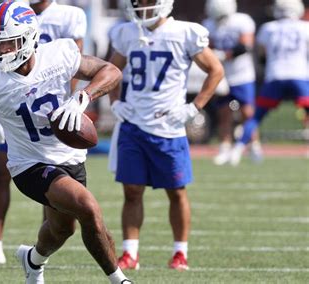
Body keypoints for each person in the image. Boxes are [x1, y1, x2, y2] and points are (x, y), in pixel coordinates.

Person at [0, 2, 131, 283]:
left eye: (9, 44)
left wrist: (83, 97)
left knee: (62, 229)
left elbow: (111, 71)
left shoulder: (59, 54)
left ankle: (32, 260)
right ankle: (120, 280)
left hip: (69, 156)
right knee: (88, 207)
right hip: (29, 165)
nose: (3, 52)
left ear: (29, 38)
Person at [108, 0, 224, 271]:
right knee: (132, 191)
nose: (141, 6)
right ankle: (130, 254)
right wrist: (115, 102)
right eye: (138, 2)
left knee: (176, 191)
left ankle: (180, 253)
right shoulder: (127, 32)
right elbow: (111, 71)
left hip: (168, 127)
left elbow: (216, 70)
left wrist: (194, 107)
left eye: (147, 1)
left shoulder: (184, 32)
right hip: (133, 124)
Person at [0, 0, 87, 265]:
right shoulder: (8, 11)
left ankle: (45, 244)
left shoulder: (70, 16)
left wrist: (72, 102)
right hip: (15, 103)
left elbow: (75, 65)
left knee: (55, 186)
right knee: (1, 174)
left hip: (53, 106)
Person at [229, 0, 309, 166]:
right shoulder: (305, 27)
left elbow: (262, 53)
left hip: (275, 76)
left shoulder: (268, 28)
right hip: (299, 76)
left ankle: (238, 148)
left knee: (256, 117)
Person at [203, 0, 263, 165]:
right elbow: (207, 45)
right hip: (222, 75)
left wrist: (223, 55)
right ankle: (225, 147)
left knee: (247, 112)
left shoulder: (242, 20)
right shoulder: (209, 23)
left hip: (242, 74)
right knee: (224, 112)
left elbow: (245, 46)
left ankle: (254, 145)